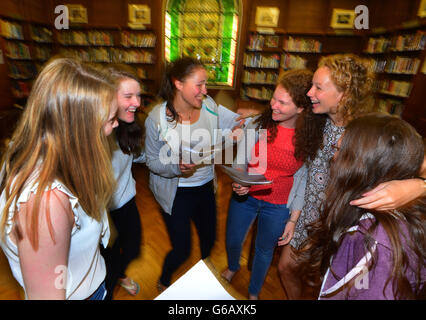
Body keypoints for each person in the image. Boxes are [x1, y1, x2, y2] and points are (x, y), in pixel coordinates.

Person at [278, 53, 426, 299]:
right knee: (287, 267)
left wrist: (419, 186)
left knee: (327, 282)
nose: (310, 93)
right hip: (310, 214)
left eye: (318, 87)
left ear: (344, 93)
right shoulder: (316, 122)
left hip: (344, 221)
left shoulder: (371, 131)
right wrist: (295, 217)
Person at [0, 57, 118, 300]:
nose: (116, 124)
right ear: (80, 130)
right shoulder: (46, 202)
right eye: (110, 120)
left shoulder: (41, 155)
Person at [297, 114, 426, 299]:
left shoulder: (376, 242)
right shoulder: (374, 230)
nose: (333, 158)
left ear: (364, 165)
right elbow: (359, 286)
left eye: (341, 151)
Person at [220, 69, 324, 299]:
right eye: (274, 98)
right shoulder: (258, 123)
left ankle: (254, 291)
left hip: (279, 204)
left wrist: (293, 219)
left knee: (264, 250)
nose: (273, 104)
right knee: (233, 239)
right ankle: (233, 266)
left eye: (282, 102)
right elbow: (240, 160)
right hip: (245, 197)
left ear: (300, 108)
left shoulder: (308, 136)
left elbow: (303, 179)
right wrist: (239, 179)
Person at [144, 56, 242, 291]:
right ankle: (164, 278)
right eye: (199, 84)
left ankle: (204, 274)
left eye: (205, 84)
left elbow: (234, 121)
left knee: (209, 239)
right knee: (182, 249)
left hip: (206, 187)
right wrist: (176, 167)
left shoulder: (208, 104)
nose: (205, 90)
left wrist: (241, 124)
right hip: (176, 194)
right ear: (178, 83)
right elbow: (152, 161)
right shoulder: (156, 119)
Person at [101, 65, 145, 299]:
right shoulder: (95, 132)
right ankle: (110, 284)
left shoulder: (130, 126)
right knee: (108, 258)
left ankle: (119, 273)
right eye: (128, 96)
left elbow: (140, 155)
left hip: (126, 202)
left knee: (132, 247)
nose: (136, 102)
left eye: (138, 95)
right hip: (100, 210)